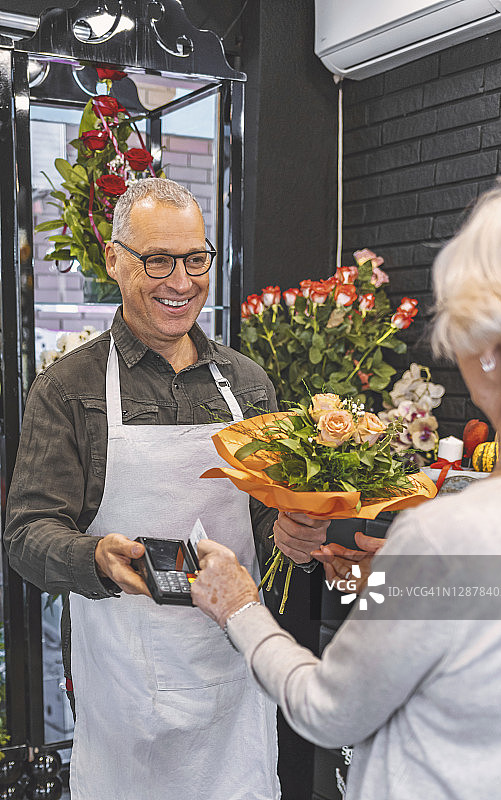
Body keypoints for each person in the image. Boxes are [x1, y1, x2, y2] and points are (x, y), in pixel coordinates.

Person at [191, 172, 501, 800]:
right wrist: (399, 580)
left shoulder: (446, 537)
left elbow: (327, 709)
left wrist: (238, 606)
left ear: (487, 346)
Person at [4, 178, 329, 800]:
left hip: (238, 672)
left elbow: (265, 520)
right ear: (116, 259)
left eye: (195, 258)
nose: (182, 281)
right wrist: (92, 558)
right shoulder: (70, 390)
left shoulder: (248, 383)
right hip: (127, 682)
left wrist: (295, 534)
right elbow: (26, 534)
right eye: (158, 260)